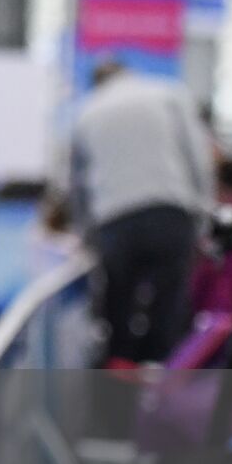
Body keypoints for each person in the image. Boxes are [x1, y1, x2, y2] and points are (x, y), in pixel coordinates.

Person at [69, 59, 216, 367]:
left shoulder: (87, 112)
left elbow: (78, 186)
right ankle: (162, 382)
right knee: (169, 309)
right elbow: (198, 156)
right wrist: (204, 214)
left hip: (115, 221)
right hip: (170, 214)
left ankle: (119, 387)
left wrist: (87, 236)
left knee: (118, 315)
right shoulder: (167, 94)